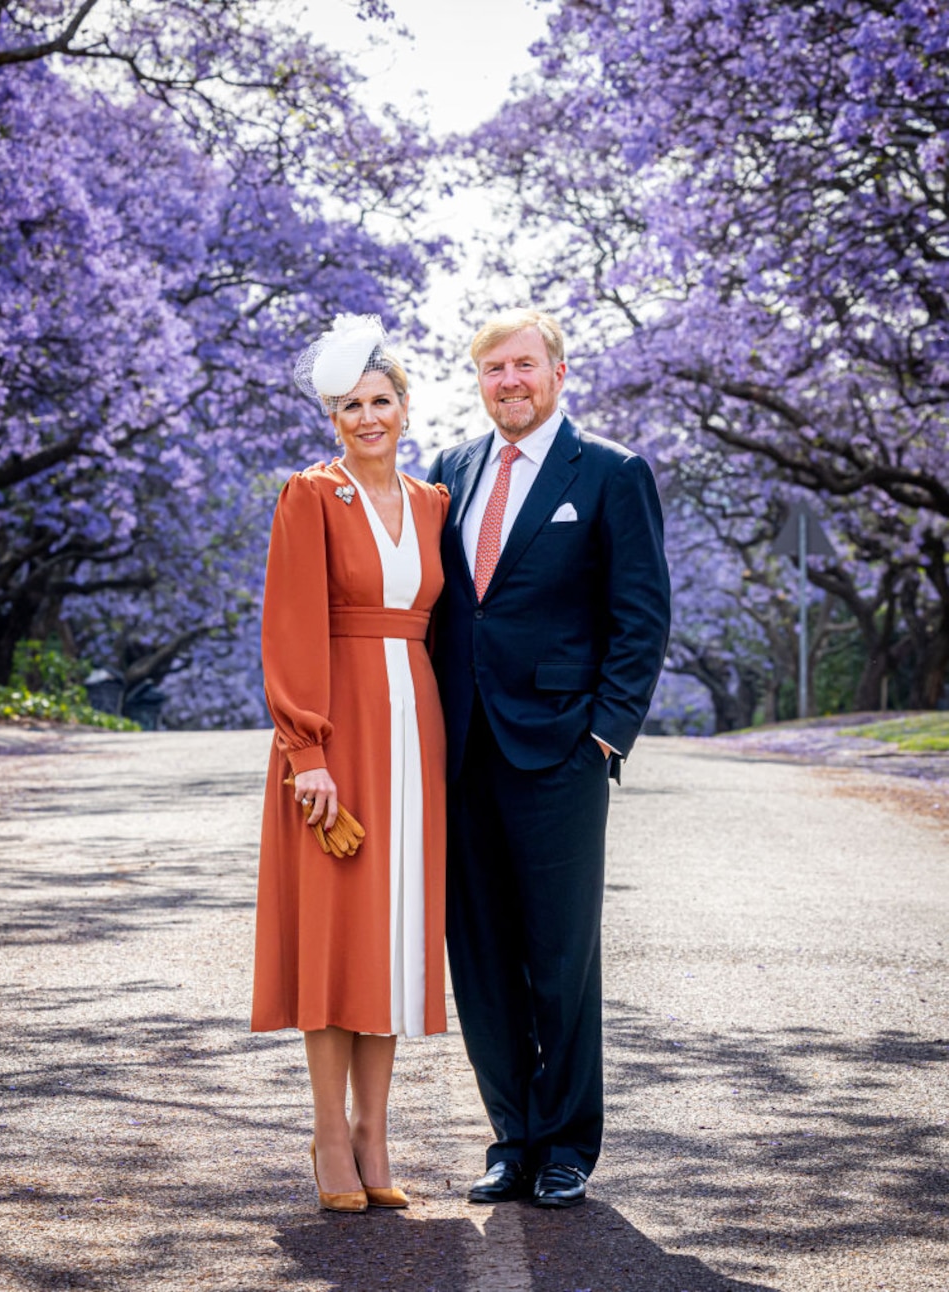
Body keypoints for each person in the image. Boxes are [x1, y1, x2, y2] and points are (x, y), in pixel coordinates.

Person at [427, 308, 670, 1209]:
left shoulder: (609, 472)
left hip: (562, 749)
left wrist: (606, 732)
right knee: (480, 953)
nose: (509, 382)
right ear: (480, 381)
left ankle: (568, 1143)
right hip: (461, 751)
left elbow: (641, 613)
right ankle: (512, 1138)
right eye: (493, 369)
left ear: (559, 374)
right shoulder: (451, 471)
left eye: (524, 365)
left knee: (560, 955)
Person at [251, 314, 449, 1213]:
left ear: (405, 406)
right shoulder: (310, 494)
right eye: (349, 406)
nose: (367, 417)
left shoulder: (434, 503)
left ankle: (377, 1135)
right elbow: (289, 628)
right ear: (332, 416)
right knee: (336, 935)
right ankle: (329, 1134)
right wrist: (307, 751)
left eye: (381, 400)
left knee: (396, 939)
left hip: (417, 735)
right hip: (338, 739)